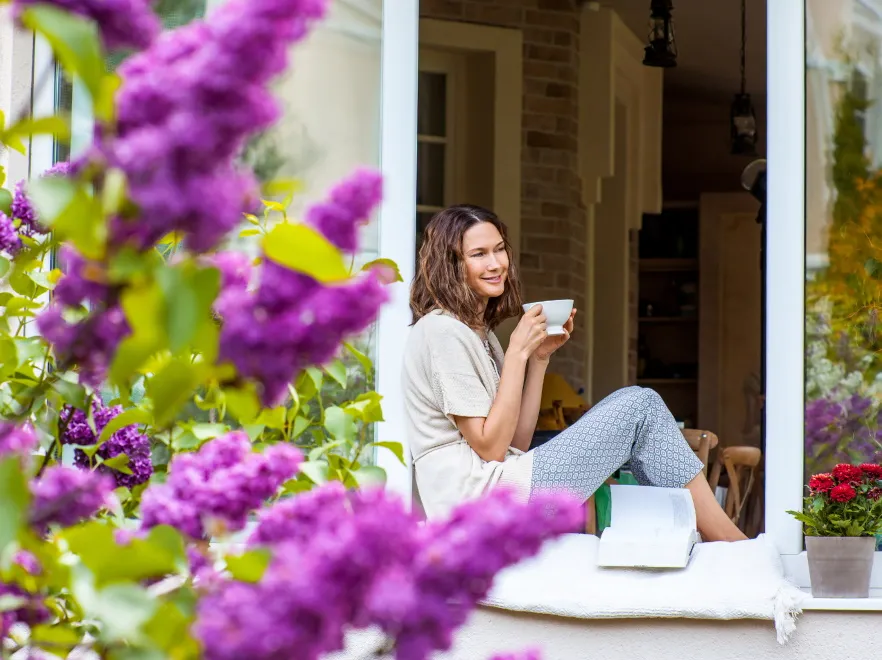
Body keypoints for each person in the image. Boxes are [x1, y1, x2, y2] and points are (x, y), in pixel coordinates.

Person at [402, 203, 747, 542]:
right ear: (451, 264)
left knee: (639, 404)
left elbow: (514, 445)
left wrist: (537, 359)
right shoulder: (442, 332)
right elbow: (491, 450)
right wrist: (517, 353)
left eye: (499, 250)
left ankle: (715, 540)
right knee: (640, 407)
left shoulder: (479, 335)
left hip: (502, 488)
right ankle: (731, 545)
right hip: (478, 509)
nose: (496, 264)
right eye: (478, 254)